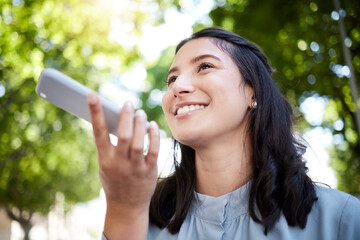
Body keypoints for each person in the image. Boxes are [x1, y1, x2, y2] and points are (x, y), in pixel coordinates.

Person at [86, 27, 360, 240]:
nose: (177, 87)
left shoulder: (342, 219)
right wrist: (124, 211)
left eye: (204, 66)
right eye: (171, 79)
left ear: (253, 92)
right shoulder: (141, 216)